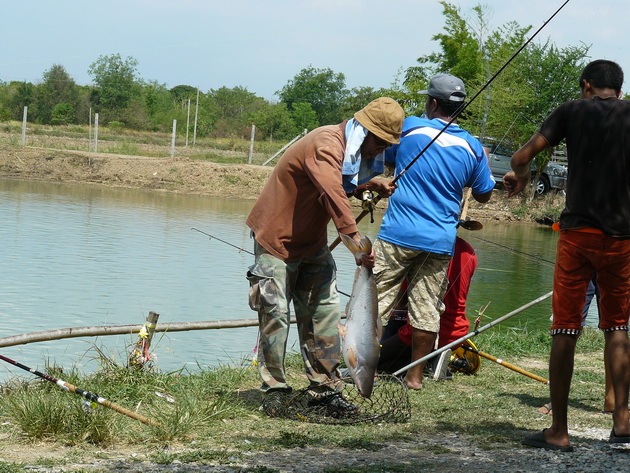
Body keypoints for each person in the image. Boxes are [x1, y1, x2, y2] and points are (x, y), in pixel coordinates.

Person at [245, 97, 405, 412]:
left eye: (387, 144)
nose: (379, 151)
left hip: (312, 242)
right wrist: (357, 244)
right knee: (275, 316)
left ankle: (325, 389)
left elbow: (341, 187)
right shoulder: (326, 143)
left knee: (326, 315)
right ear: (365, 131)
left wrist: (365, 187)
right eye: (379, 142)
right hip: (276, 241)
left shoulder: (350, 152)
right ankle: (274, 391)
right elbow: (332, 193)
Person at [504, 59, 630, 451]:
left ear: (586, 85)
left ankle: (559, 430)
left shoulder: (571, 111)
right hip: (623, 239)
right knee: (618, 326)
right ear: (620, 90)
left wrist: (521, 182)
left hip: (577, 236)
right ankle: (623, 421)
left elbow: (521, 157)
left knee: (565, 329)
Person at [373, 73, 495, 391]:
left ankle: (366, 369)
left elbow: (387, 161)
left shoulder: (409, 127)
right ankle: (415, 378)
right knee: (426, 308)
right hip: (440, 241)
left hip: (397, 234)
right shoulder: (473, 147)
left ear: (432, 102)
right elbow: (484, 193)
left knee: (377, 302)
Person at [378, 236, 478, 376]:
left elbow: (401, 301)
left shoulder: (422, 248)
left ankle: (426, 365)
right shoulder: (468, 250)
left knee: (376, 362)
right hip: (457, 333)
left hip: (421, 334)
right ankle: (433, 359)